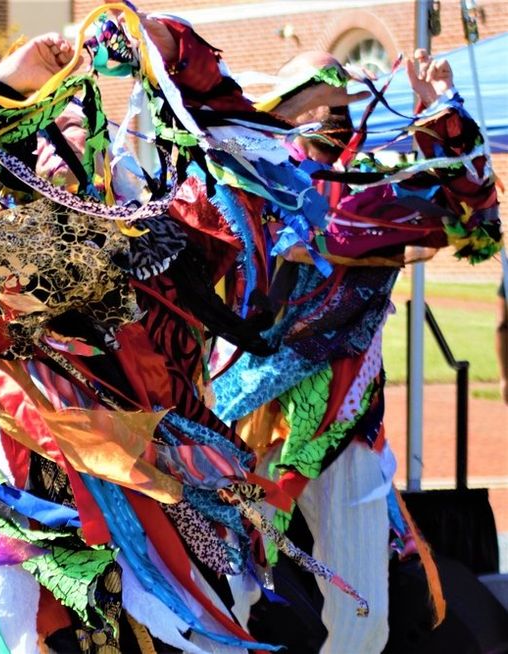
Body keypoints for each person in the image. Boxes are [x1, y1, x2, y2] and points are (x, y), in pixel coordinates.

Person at [0, 9, 373, 652]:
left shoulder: (152, 236)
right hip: (27, 449)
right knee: (31, 629)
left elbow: (230, 145)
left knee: (194, 616)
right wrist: (1, 78)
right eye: (47, 137)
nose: (66, 147)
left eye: (75, 134)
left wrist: (171, 50)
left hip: (157, 452)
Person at [213, 48, 501, 652]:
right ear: (287, 106)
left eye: (339, 87)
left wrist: (439, 114)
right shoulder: (244, 179)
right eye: (316, 89)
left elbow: (477, 217)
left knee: (363, 616)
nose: (331, 100)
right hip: (245, 423)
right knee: (224, 595)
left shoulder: (374, 188)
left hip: (343, 428)